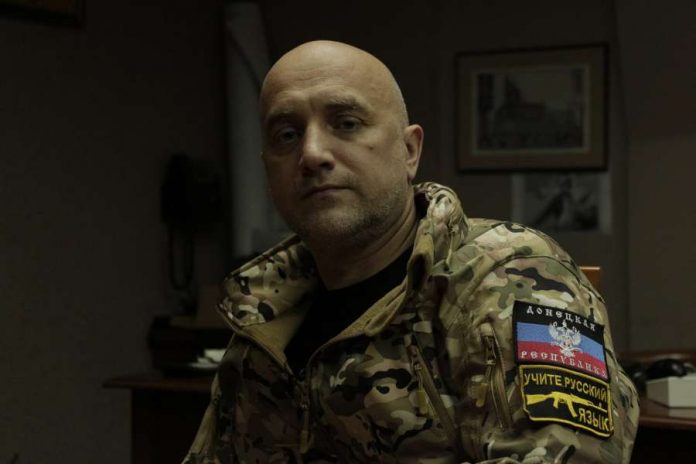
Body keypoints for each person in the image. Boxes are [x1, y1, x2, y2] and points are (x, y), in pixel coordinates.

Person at [183, 40, 638, 463]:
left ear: (409, 150)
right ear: (268, 169)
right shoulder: (265, 315)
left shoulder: (512, 276)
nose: (312, 153)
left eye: (346, 123)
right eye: (286, 134)